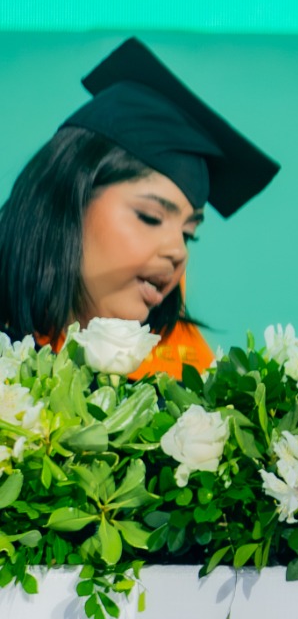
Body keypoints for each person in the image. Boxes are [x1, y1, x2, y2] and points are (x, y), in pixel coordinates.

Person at [0, 38, 278, 376]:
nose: (178, 252)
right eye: (150, 217)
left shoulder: (182, 378)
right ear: (66, 203)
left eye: (189, 234)